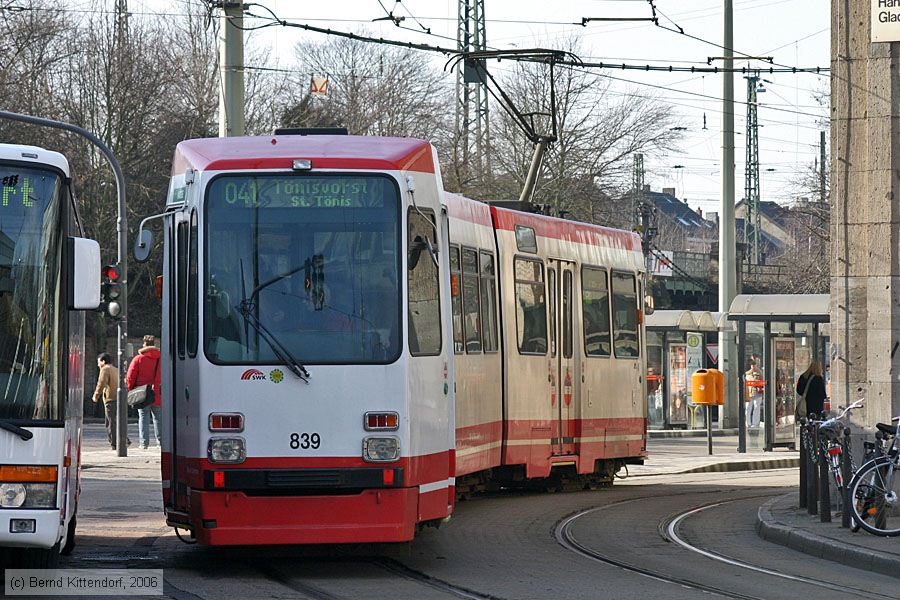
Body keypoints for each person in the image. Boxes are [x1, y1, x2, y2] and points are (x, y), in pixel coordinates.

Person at [126, 335, 162, 449]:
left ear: (144, 344)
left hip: (142, 392)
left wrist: (131, 389)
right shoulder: (161, 358)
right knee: (158, 418)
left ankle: (144, 443)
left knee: (143, 417)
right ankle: (160, 442)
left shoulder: (138, 359)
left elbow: (130, 376)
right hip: (157, 392)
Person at [92, 353, 128, 449]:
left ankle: (115, 443)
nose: (98, 364)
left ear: (103, 361)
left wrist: (96, 395)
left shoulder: (105, 369)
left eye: (98, 362)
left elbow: (101, 383)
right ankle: (124, 440)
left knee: (110, 422)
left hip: (110, 398)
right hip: (118, 398)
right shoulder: (115, 369)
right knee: (117, 421)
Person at [744, 361, 763, 429]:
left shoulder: (760, 373)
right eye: (752, 365)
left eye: (754, 365)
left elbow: (762, 381)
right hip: (749, 393)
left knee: (756, 408)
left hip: (757, 393)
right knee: (748, 408)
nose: (753, 367)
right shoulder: (748, 374)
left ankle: (755, 423)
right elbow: (751, 381)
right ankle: (748, 423)